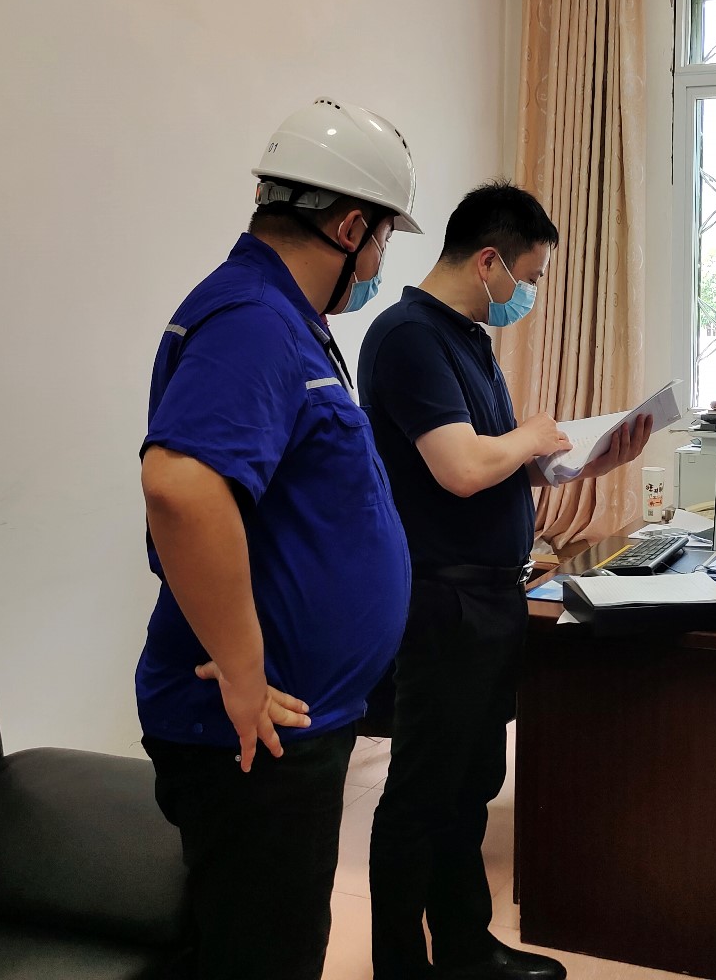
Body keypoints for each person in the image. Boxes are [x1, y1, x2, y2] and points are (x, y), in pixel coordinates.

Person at [135, 98, 420, 980]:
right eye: (382, 240)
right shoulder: (254, 320)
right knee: (267, 956)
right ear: (348, 227)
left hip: (298, 722)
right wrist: (246, 674)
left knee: (271, 940)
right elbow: (181, 487)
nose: (377, 264)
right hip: (256, 734)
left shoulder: (287, 320)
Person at [360, 182, 651, 980]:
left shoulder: (468, 338)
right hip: (439, 599)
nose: (529, 293)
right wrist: (530, 436)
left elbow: (495, 464)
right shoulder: (409, 337)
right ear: (488, 260)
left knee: (469, 786)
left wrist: (588, 458)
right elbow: (460, 469)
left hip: (488, 593)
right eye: (529, 276)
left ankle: (465, 946)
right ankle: (400, 965)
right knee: (422, 791)